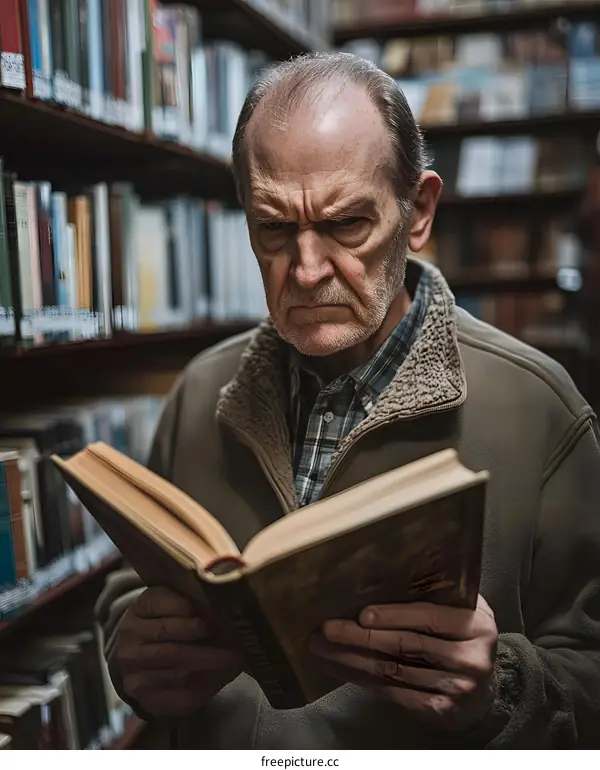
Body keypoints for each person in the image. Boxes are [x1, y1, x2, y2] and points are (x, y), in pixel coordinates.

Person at [96, 52, 600, 749]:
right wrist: (135, 645)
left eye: (347, 225)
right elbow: (137, 582)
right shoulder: (200, 390)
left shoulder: (543, 409)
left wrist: (503, 690)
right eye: (274, 228)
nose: (307, 270)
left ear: (418, 211)